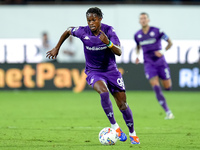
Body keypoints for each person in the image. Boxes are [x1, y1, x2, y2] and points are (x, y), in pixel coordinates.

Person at [46, 7, 140, 144]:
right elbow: (68, 30)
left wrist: (108, 43)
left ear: (100, 19)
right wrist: (57, 47)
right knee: (103, 92)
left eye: (94, 20)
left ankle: (133, 133)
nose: (91, 23)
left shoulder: (109, 31)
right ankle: (115, 127)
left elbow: (119, 52)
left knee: (123, 105)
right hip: (93, 72)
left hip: (111, 71)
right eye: (89, 20)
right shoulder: (82, 31)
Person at [134, 12, 174, 119]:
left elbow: (170, 42)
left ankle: (165, 84)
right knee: (155, 85)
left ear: (148, 20)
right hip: (149, 64)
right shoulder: (137, 35)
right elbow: (137, 47)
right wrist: (137, 55)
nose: (143, 20)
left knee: (167, 87)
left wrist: (163, 51)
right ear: (139, 21)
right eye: (141, 18)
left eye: (145, 18)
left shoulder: (157, 31)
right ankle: (168, 112)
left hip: (161, 62)